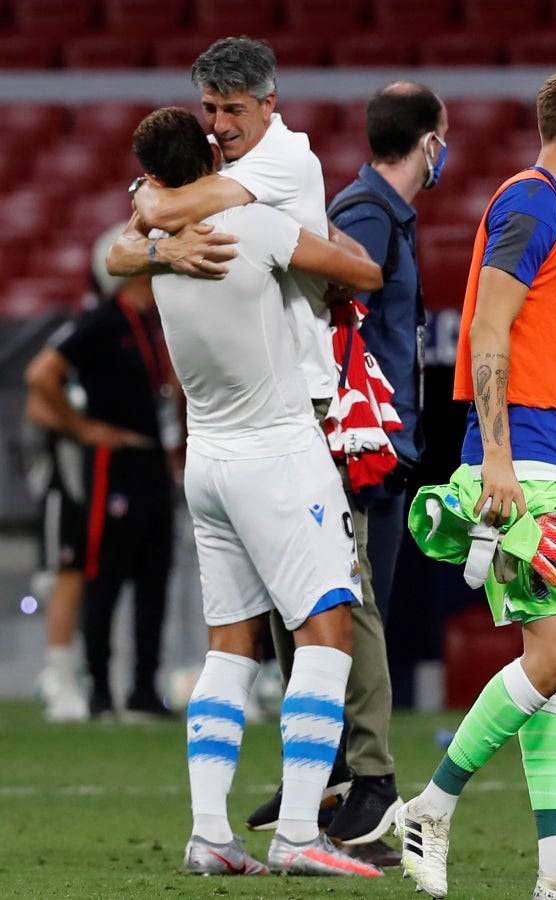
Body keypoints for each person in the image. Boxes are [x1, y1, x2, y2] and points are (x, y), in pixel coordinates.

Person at [108, 35, 404, 864]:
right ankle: (305, 833)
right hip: (280, 447)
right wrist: (339, 268)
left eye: (231, 109)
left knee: (229, 643)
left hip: (206, 461)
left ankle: (208, 834)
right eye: (210, 114)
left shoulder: (161, 247)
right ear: (200, 146)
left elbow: (129, 236)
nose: (221, 124)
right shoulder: (254, 224)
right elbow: (366, 273)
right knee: (330, 628)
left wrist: (155, 231)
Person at [395, 64, 556, 900]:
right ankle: (432, 806)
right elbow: (487, 325)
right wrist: (501, 462)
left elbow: (553, 314)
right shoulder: (530, 201)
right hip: (531, 461)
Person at [25, 224, 179, 722]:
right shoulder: (103, 319)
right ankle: (98, 691)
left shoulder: (158, 322)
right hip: (114, 463)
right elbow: (40, 375)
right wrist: (84, 429)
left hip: (154, 459)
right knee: (105, 575)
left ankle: (143, 690)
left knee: (155, 576)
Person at [328, 81, 448, 630]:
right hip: (365, 448)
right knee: (358, 614)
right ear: (427, 145)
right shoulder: (369, 217)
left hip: (383, 446)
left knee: (367, 611)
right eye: (442, 139)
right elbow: (335, 327)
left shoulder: (383, 214)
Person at [23, 381, 88, 722]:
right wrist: (83, 426)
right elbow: (37, 402)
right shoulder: (64, 356)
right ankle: (59, 678)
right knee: (62, 580)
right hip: (63, 491)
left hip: (96, 490)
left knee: (89, 585)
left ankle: (81, 673)